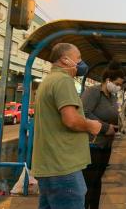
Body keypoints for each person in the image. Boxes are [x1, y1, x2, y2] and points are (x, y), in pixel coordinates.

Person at [32, 43, 104, 209]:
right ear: (65, 60)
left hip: (50, 166)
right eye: (78, 58)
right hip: (63, 167)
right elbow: (71, 120)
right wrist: (91, 126)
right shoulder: (63, 81)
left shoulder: (48, 81)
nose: (81, 63)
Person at [81, 61, 125, 209]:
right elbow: (84, 113)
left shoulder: (112, 97)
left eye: (120, 85)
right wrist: (106, 127)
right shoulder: (93, 92)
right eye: (117, 84)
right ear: (108, 81)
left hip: (106, 144)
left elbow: (113, 114)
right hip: (92, 144)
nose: (119, 87)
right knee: (89, 181)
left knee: (97, 180)